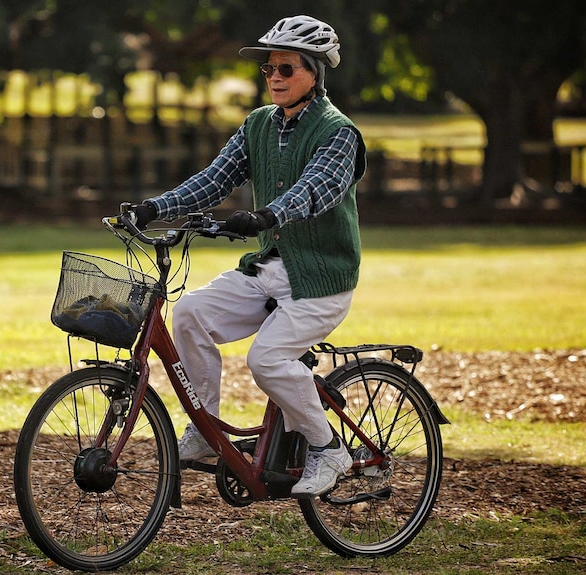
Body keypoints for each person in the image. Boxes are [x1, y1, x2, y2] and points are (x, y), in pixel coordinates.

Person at [129, 15, 367, 498]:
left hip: (321, 280)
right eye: (269, 70)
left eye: (286, 68)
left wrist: (266, 216)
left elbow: (316, 188)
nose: (275, 77)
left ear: (316, 73)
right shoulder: (259, 124)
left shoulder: (339, 132)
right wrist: (156, 207)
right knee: (191, 312)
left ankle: (327, 449)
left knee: (267, 360)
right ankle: (205, 429)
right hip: (269, 271)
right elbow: (214, 179)